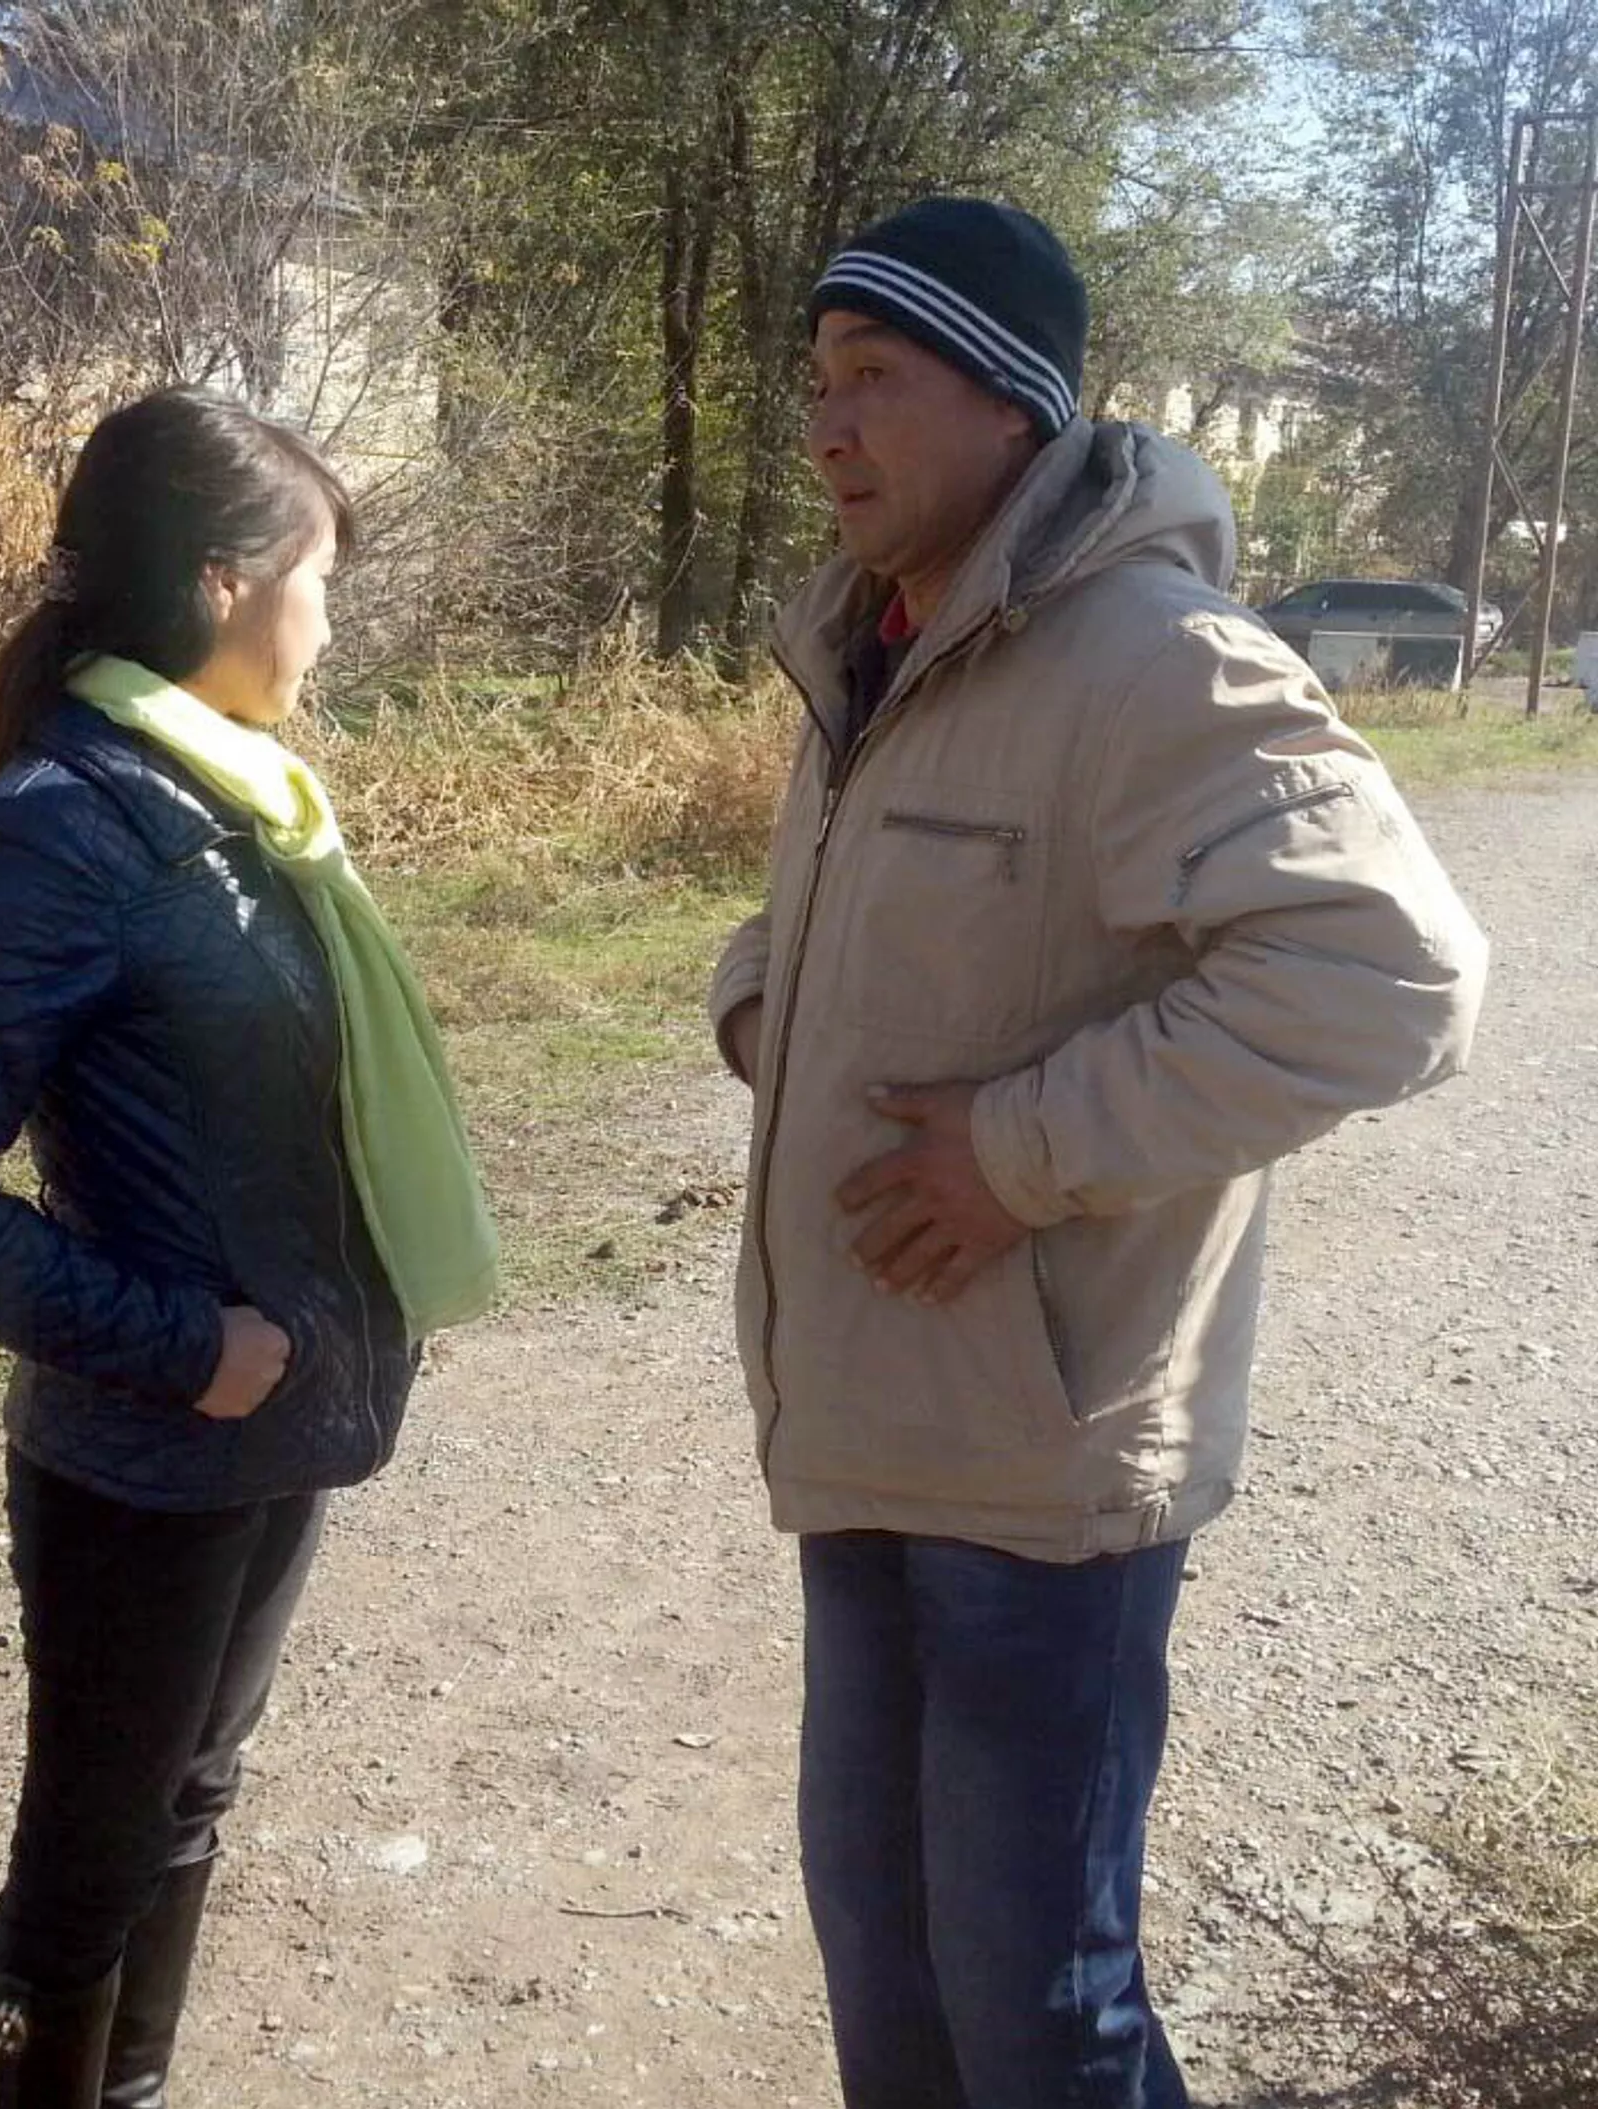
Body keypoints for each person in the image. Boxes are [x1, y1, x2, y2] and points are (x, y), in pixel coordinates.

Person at [707, 197, 1489, 2108]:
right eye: (817, 382)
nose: (827, 426)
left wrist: (1021, 1153)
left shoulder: (1152, 657)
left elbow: (1391, 976)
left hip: (1043, 1473)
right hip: (867, 1427)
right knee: (892, 1985)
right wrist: (758, 1009)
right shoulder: (880, 645)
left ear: (1013, 404)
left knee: (1040, 2018)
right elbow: (834, 923)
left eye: (875, 377)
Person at [0, 387, 497, 2108]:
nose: (328, 622)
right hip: (148, 1454)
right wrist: (185, 1347)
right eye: (318, 579)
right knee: (90, 1862)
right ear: (224, 582)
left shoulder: (243, 802)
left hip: (269, 1426)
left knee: (189, 1800)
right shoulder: (70, 824)